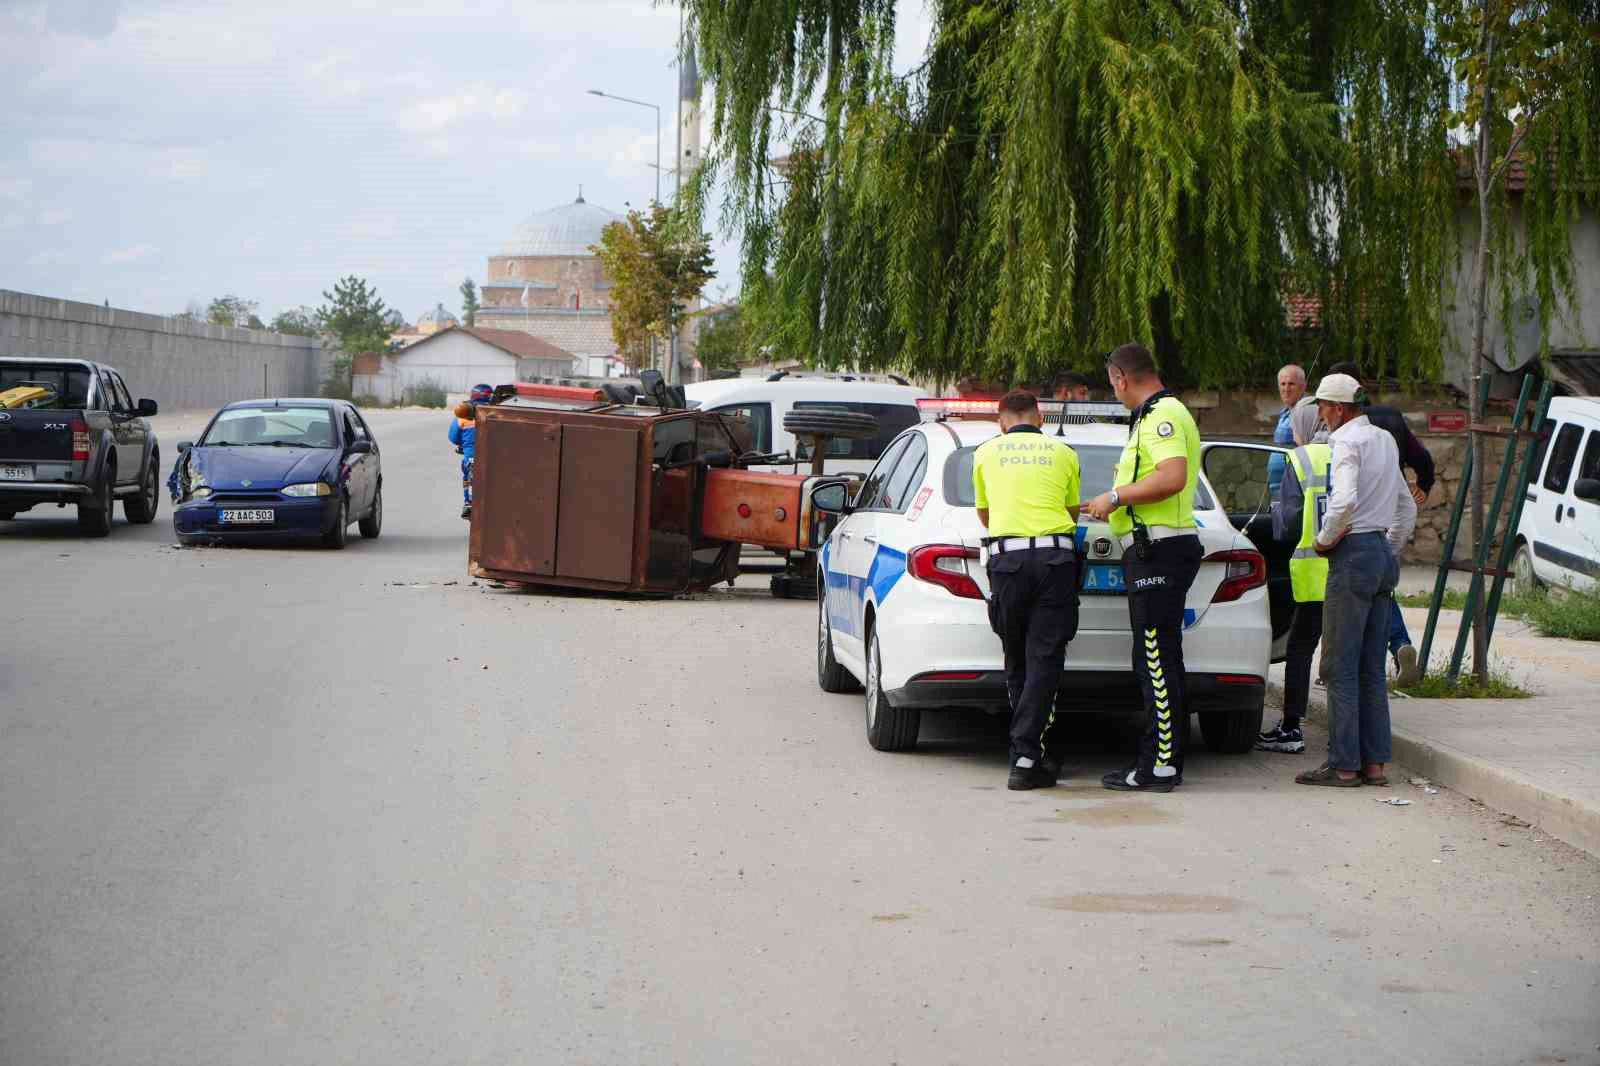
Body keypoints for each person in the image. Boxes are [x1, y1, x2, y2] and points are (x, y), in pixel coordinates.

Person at [1082, 343, 1203, 793]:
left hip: (1160, 551)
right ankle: (1156, 761)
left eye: (1112, 384)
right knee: (1155, 657)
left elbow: (1171, 477)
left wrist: (1115, 497)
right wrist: (1106, 504)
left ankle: (1161, 766)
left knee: (1156, 659)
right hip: (1154, 549)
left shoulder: (1163, 416)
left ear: (1120, 377)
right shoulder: (1153, 417)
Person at [1295, 373, 1417, 787]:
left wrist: (1326, 539)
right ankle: (1375, 764)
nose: (1321, 416)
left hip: (1353, 553)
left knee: (1339, 668)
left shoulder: (1345, 442)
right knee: (1370, 668)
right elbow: (1407, 507)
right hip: (1381, 552)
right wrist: (1390, 548)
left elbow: (1344, 500)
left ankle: (1344, 765)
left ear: (1340, 409)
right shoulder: (1385, 440)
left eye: (1324, 408)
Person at [972, 390, 1083, 790]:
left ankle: (1026, 753)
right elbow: (1071, 512)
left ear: (1002, 422)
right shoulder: (1064, 452)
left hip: (1008, 562)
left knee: (1016, 657)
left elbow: (984, 515)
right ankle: (1029, 752)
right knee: (1045, 658)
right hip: (1055, 562)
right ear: (1040, 417)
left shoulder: (985, 453)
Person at [1327, 360, 1433, 686]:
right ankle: (1397, 645)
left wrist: (1325, 537)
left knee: (1353, 601)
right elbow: (1423, 458)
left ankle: (1347, 664)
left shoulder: (1343, 433)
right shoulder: (1391, 421)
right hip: (1389, 516)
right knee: (1380, 591)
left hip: (1354, 525)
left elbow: (1343, 497)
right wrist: (1423, 487)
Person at [1257, 400, 1331, 754]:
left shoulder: (1299, 459)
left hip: (1313, 575)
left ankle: (1291, 728)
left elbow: (1285, 526)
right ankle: (1356, 736)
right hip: (1354, 573)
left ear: (1301, 426)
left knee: (1300, 650)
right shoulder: (1351, 452)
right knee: (1353, 654)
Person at [1267, 364, 1307, 494]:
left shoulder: (1305, 412)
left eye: (1291, 384)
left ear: (1303, 386)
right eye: (1282, 384)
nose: (1286, 389)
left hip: (1292, 487)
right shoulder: (1285, 412)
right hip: (1276, 485)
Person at [448, 401, 476, 520]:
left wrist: (462, 444)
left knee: (468, 478)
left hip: (470, 456)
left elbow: (453, 437)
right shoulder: (488, 413)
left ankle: (468, 503)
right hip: (489, 455)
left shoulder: (461, 418)